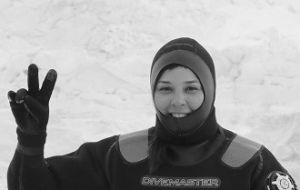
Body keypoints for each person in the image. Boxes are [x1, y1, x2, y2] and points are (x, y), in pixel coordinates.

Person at [7, 37, 297, 190]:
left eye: (192, 89)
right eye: (166, 89)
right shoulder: (122, 157)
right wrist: (30, 143)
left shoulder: (250, 163)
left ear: (210, 91)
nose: (178, 101)